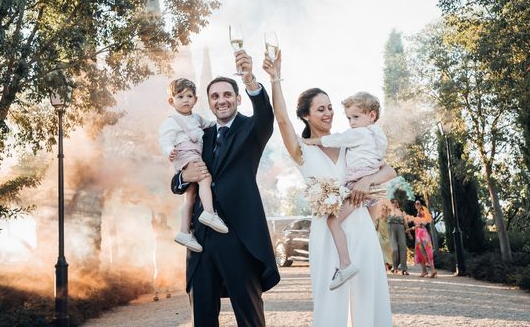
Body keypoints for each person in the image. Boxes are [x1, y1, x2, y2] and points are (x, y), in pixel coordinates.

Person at [263, 50, 394, 326]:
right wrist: (275, 79)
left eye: (330, 107)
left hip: (359, 225)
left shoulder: (349, 141)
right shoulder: (301, 150)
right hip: (327, 230)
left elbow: (388, 170)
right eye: (320, 109)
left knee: (369, 295)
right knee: (330, 301)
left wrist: (366, 181)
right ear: (307, 116)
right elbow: (283, 120)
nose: (329, 113)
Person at [170, 50, 279, 327]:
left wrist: (250, 79)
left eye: (227, 94)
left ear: (238, 98)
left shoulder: (252, 129)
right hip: (201, 240)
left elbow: (266, 114)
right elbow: (176, 183)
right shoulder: (198, 135)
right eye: (215, 96)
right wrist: (185, 176)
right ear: (208, 102)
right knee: (203, 318)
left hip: (239, 238)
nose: (222, 100)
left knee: (249, 316)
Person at [303, 91, 387, 288]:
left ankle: (345, 264)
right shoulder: (377, 136)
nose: (351, 122)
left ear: (372, 115)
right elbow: (384, 164)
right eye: (349, 118)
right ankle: (362, 260)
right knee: (367, 224)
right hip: (371, 188)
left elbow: (335, 139)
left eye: (356, 117)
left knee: (333, 221)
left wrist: (309, 141)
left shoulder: (359, 134)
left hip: (356, 185)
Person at [158, 78, 225, 253]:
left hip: (191, 154)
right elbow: (165, 139)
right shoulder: (171, 121)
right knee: (205, 177)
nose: (186, 100)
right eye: (180, 97)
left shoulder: (196, 118)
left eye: (189, 96)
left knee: (190, 197)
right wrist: (169, 151)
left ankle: (184, 232)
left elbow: (210, 124)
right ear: (171, 101)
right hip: (184, 153)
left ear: (195, 99)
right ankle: (209, 213)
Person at [408, 199, 438, 278]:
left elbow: (421, 224)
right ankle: (425, 271)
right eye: (415, 204)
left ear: (421, 205)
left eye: (418, 204)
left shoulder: (422, 213)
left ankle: (432, 270)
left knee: (425, 251)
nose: (416, 205)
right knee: (421, 252)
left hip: (422, 234)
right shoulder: (418, 213)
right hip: (419, 234)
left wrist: (411, 228)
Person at [388, 199, 412, 275]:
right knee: (394, 249)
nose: (395, 203)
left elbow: (405, 223)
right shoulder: (388, 211)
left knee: (403, 247)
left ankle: (404, 269)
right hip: (391, 228)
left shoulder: (402, 212)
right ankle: (394, 267)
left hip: (401, 228)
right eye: (393, 202)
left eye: (396, 202)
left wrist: (409, 234)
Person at [375, 202, 393, 271]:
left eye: (385, 208)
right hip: (380, 233)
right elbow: (376, 223)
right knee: (381, 247)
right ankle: (384, 264)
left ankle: (389, 263)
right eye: (383, 208)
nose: (384, 209)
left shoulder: (389, 215)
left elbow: (390, 220)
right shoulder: (379, 215)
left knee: (388, 248)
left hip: (387, 234)